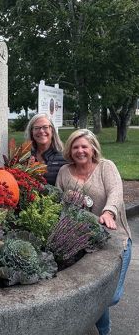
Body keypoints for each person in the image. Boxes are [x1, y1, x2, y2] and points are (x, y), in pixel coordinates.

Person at [56, 129, 132, 335]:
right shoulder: (64, 172)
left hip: (116, 237)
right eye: (75, 146)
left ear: (93, 149)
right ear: (70, 150)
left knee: (111, 296)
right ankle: (104, 330)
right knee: (97, 293)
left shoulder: (106, 167)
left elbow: (116, 192)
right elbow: (59, 201)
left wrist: (108, 212)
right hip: (83, 241)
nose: (80, 151)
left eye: (84, 146)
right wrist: (68, 200)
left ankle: (98, 321)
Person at [25, 113, 66, 185]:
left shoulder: (64, 157)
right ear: (32, 132)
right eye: (36, 128)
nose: (41, 131)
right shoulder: (25, 156)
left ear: (52, 130)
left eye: (45, 127)